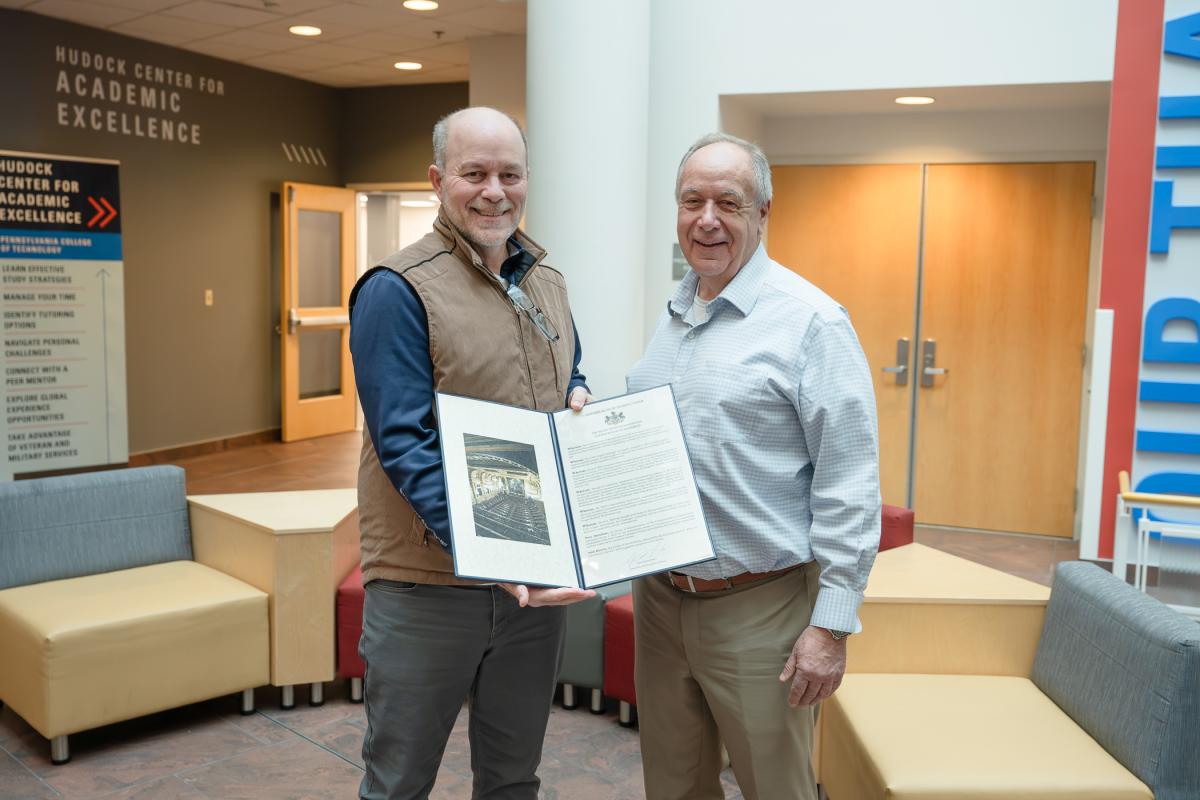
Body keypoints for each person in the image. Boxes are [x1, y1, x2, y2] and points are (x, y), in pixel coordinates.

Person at [626, 132, 881, 800]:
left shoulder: (811, 324)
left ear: (763, 212)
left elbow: (849, 482)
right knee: (673, 785)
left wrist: (830, 626)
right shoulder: (677, 312)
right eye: (692, 201)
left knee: (776, 788)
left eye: (727, 202)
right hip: (660, 601)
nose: (706, 218)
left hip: (758, 608)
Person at [348, 106, 594, 800]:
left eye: (509, 174)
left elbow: (568, 369)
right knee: (398, 782)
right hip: (427, 585)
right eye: (474, 173)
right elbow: (405, 444)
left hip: (530, 592)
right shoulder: (396, 291)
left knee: (514, 778)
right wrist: (498, 551)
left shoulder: (547, 281)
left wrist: (576, 392)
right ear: (437, 180)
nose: (494, 191)